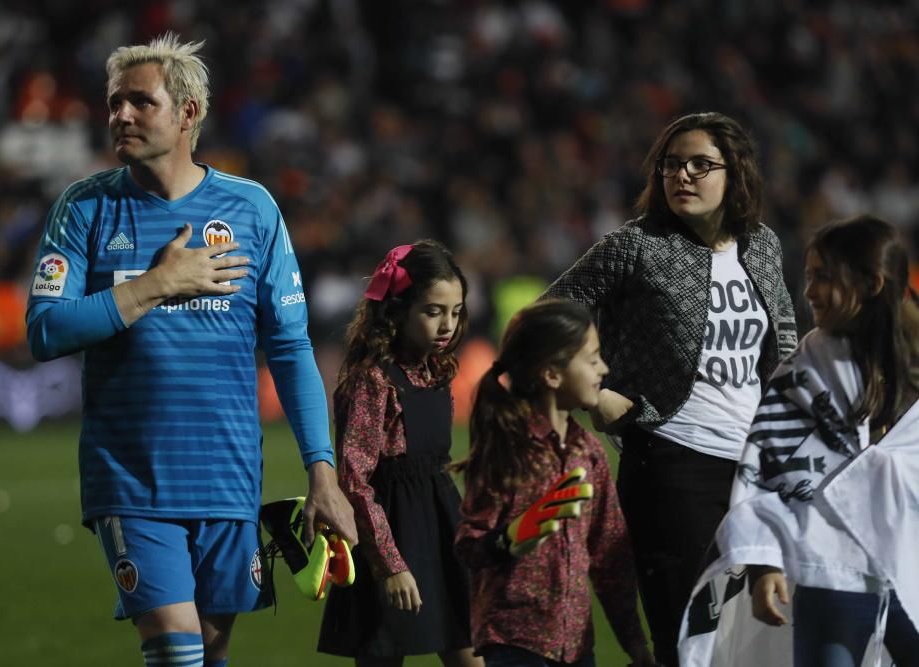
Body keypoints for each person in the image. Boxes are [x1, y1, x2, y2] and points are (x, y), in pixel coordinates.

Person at [24, 33, 356, 667]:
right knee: (177, 652)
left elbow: (289, 349)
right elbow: (44, 331)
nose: (120, 114)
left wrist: (323, 472)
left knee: (209, 650)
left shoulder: (252, 209)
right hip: (132, 480)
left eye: (139, 102)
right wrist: (158, 285)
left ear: (187, 114)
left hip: (229, 479)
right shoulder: (85, 208)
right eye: (114, 102)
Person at [542, 111, 797, 666]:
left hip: (757, 469)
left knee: (757, 638)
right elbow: (544, 320)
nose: (682, 175)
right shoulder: (634, 245)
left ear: (736, 175)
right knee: (688, 641)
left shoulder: (763, 245)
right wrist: (597, 393)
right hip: (672, 462)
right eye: (671, 165)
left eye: (700, 165)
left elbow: (783, 340)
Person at [683, 215, 919, 667]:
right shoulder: (802, 373)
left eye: (824, 277)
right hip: (832, 571)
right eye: (809, 276)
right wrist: (763, 561)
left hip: (909, 564)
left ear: (871, 284)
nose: (809, 291)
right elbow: (764, 467)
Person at [453, 299, 657, 667]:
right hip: (513, 643)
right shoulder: (507, 450)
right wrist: (510, 539)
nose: (604, 368)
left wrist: (635, 643)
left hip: (575, 646)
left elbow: (611, 559)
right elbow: (468, 546)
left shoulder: (589, 453)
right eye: (592, 359)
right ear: (552, 374)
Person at [317, 240, 482, 667]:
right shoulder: (372, 380)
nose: (447, 324)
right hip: (389, 535)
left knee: (474, 652)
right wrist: (390, 564)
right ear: (398, 309)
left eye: (456, 311)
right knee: (382, 653)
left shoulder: (438, 369)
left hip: (442, 528)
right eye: (433, 311)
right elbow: (355, 480)